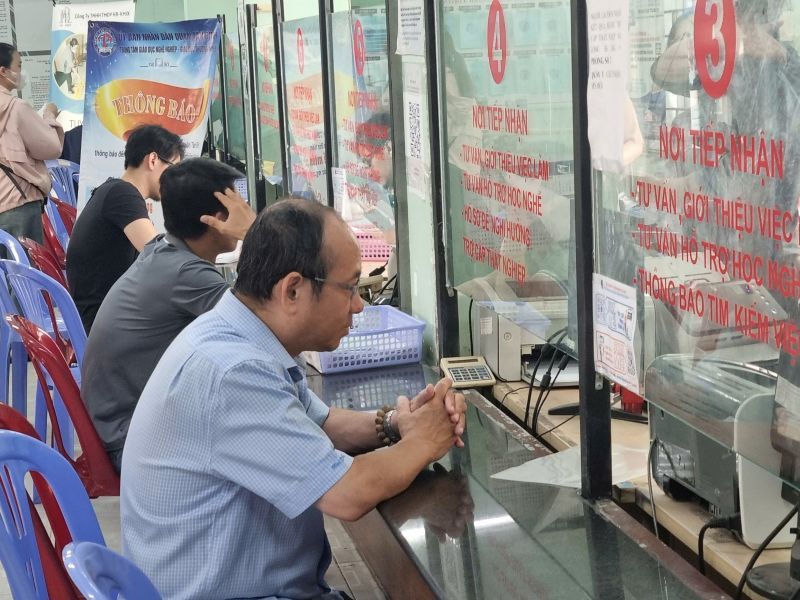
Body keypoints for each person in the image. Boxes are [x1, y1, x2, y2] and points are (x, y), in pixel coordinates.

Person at [121, 198, 467, 599]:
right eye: (350, 288)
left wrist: (396, 423)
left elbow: (321, 425)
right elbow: (347, 493)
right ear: (293, 289)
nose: (358, 305)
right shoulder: (233, 373)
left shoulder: (239, 335)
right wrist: (426, 440)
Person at [81, 157, 256, 473]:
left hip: (120, 420)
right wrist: (255, 234)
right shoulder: (187, 274)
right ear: (217, 219)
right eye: (239, 206)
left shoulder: (165, 250)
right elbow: (262, 327)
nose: (244, 212)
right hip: (134, 440)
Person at [66, 124, 185, 333]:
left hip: (103, 314)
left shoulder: (114, 190)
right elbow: (160, 255)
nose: (175, 181)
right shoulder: (122, 195)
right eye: (174, 169)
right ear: (153, 160)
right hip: (105, 324)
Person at [0, 43, 64, 245]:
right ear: (3, 71)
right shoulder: (16, 109)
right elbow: (51, 147)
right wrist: (49, 115)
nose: (21, 72)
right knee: (23, 271)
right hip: (17, 204)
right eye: (18, 66)